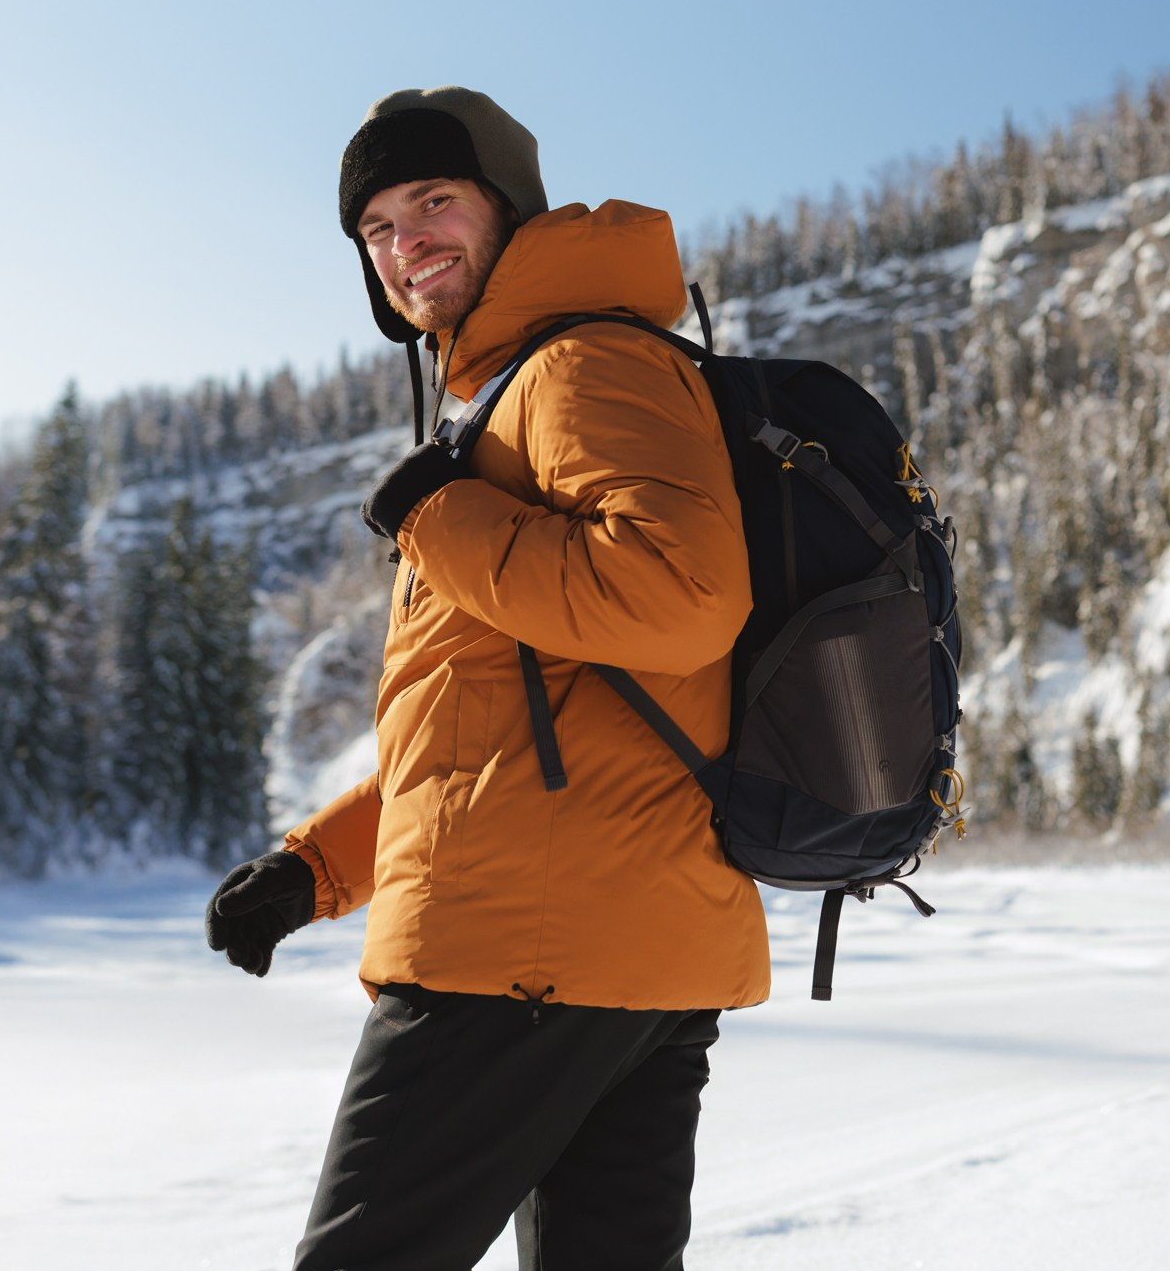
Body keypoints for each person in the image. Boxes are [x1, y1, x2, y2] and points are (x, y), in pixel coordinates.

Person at [203, 86, 769, 1271]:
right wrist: (314, 872)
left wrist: (440, 517)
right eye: (376, 229)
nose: (404, 244)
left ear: (508, 205)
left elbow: (684, 596)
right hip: (622, 950)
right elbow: (487, 739)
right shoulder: (512, 398)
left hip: (518, 954)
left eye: (433, 203)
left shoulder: (581, 365)